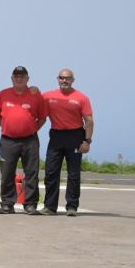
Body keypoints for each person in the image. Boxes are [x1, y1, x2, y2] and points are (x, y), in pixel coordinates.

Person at [0, 66, 48, 215]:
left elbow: (43, 118)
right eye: (16, 76)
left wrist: (31, 129)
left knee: (31, 173)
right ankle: (7, 204)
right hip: (8, 141)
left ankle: (30, 204)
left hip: (30, 141)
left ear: (28, 79)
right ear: (12, 78)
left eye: (22, 76)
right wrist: (8, 126)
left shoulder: (36, 96)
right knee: (6, 173)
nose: (19, 78)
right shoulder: (3, 94)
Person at [42, 68, 94, 217]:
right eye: (61, 78)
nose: (64, 80)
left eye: (67, 78)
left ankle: (72, 206)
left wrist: (87, 141)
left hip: (75, 136)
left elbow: (89, 121)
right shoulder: (47, 96)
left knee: (73, 173)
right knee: (51, 172)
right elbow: (33, 100)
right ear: (57, 79)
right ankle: (50, 207)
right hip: (56, 136)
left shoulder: (81, 98)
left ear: (73, 80)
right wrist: (33, 90)